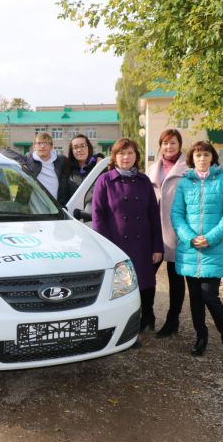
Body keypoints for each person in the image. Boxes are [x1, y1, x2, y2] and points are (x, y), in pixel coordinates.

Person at [171, 141, 223, 364]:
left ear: (212, 157)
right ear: (193, 158)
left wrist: (210, 238)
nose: (202, 158)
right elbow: (177, 214)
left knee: (210, 295)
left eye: (206, 154)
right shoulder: (185, 183)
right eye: (198, 155)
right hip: (190, 249)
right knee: (195, 299)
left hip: (214, 249)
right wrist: (190, 237)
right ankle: (201, 339)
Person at [92, 138, 163, 332]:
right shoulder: (105, 181)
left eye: (130, 153)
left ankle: (148, 316)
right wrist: (106, 247)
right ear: (114, 157)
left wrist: (157, 246)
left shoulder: (144, 181)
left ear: (136, 157)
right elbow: (98, 216)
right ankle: (125, 325)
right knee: (121, 287)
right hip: (117, 244)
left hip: (143, 242)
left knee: (146, 283)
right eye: (121, 153)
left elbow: (154, 215)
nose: (126, 157)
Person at [147, 129, 189, 338]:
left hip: (176, 231)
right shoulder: (153, 168)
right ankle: (147, 316)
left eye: (173, 143)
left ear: (179, 145)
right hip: (154, 231)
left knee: (175, 278)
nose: (169, 147)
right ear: (160, 145)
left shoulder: (187, 168)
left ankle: (173, 320)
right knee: (146, 275)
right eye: (165, 143)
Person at [24, 132, 69, 205]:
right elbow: (6, 152)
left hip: (56, 208)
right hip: (32, 210)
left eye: (46, 143)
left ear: (51, 147)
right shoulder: (28, 160)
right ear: (34, 146)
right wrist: (23, 163)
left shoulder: (61, 161)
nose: (42, 146)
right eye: (39, 143)